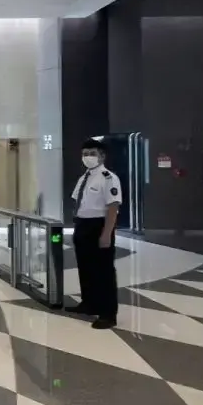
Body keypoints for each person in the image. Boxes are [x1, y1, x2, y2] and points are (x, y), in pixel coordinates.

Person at [66, 138, 121, 329]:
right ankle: (89, 303)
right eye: (85, 154)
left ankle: (108, 314)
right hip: (83, 225)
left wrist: (106, 234)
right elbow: (78, 201)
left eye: (92, 154)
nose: (87, 157)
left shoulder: (108, 178)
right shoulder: (85, 177)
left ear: (102, 156)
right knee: (85, 267)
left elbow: (113, 207)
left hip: (99, 225)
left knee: (103, 272)